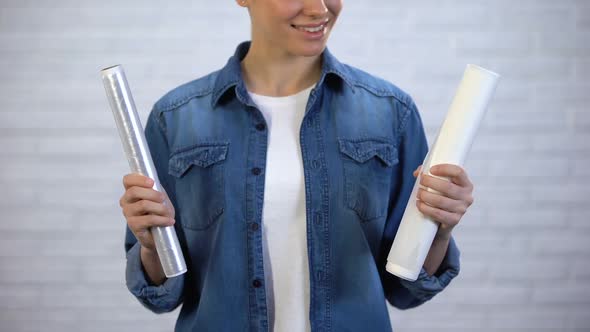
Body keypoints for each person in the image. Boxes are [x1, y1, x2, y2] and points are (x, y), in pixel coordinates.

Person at [119, 0, 474, 331]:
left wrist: (439, 230)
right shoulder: (176, 119)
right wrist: (152, 246)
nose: (319, 9)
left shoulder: (390, 113)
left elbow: (406, 289)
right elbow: (162, 295)